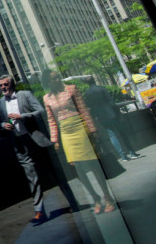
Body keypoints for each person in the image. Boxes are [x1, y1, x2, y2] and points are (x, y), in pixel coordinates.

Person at [0, 74, 75, 223]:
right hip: (20, 143)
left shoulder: (25, 95)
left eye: (5, 85)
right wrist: (3, 125)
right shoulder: (0, 102)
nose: (3, 88)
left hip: (36, 140)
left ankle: (72, 202)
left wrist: (22, 116)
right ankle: (39, 211)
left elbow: (41, 111)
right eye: (0, 86)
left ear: (12, 84)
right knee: (31, 177)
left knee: (55, 172)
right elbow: (2, 120)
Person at [44, 73, 116, 214]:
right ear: (48, 82)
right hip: (65, 132)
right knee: (77, 167)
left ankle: (107, 196)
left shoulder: (71, 89)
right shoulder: (46, 98)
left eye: (57, 77)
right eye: (53, 78)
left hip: (80, 127)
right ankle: (95, 197)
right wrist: (55, 140)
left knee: (93, 164)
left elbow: (83, 109)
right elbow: (51, 120)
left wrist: (93, 129)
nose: (57, 79)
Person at [83, 77, 143, 162]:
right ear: (94, 81)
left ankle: (123, 156)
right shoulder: (102, 89)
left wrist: (95, 116)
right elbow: (111, 101)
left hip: (101, 117)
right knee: (122, 133)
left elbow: (90, 107)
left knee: (111, 135)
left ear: (87, 84)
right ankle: (132, 152)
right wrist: (117, 112)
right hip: (112, 114)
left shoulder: (87, 94)